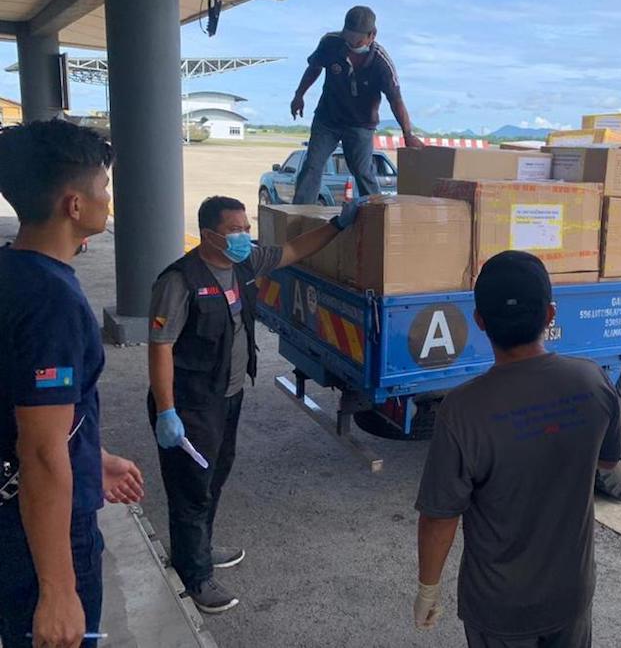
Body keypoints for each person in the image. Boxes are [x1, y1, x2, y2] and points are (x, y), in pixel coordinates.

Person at [147, 194, 363, 613]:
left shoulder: (245, 263)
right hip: (190, 405)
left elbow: (297, 249)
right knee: (191, 489)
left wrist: (338, 224)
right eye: (235, 229)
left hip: (228, 396)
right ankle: (195, 577)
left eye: (247, 227)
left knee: (214, 476)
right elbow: (159, 347)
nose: (245, 235)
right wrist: (165, 409)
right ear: (210, 234)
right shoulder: (180, 281)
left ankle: (200, 549)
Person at [413, 251, 621, 648]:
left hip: (498, 608)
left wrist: (429, 588)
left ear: (479, 321)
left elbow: (439, 517)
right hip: (570, 596)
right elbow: (610, 461)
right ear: (550, 315)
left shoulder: (462, 410)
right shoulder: (592, 381)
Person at [0, 120, 145, 648]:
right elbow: (39, 451)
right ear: (74, 205)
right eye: (102, 188)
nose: (108, 198)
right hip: (40, 537)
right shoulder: (53, 303)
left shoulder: (12, 270)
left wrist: (92, 456)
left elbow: (30, 409)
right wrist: (58, 590)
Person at [290, 5, 423, 203]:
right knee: (312, 165)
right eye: (348, 39)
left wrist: (408, 134)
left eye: (358, 41)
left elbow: (395, 100)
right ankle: (298, 216)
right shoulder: (330, 43)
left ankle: (376, 214)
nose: (352, 45)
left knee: (362, 171)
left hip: (360, 124)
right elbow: (314, 68)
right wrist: (299, 95)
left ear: (373, 35)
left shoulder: (381, 63)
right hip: (328, 119)